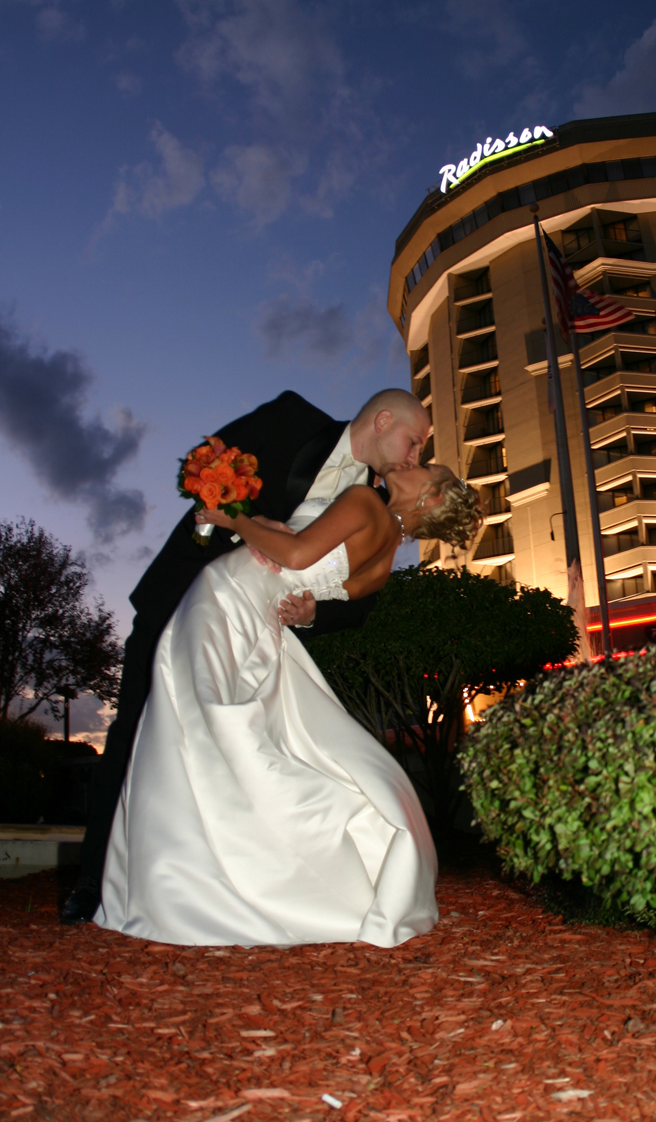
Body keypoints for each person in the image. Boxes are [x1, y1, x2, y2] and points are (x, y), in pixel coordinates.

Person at [62, 388, 431, 925]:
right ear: (382, 421)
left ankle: (212, 885)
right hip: (185, 594)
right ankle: (94, 883)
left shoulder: (376, 502)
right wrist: (250, 524)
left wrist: (315, 613)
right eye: (414, 440)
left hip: (256, 633)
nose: (416, 455)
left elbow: (361, 604)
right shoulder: (292, 419)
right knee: (135, 730)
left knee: (232, 747)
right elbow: (209, 466)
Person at [94, 464, 483, 948]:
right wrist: (307, 605)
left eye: (424, 468)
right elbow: (318, 592)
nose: (411, 463)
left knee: (192, 723)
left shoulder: (365, 501)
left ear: (430, 499)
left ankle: (182, 884)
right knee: (220, 732)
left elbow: (298, 554)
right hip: (262, 617)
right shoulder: (383, 562)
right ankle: (222, 878)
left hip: (230, 595)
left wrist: (237, 521)